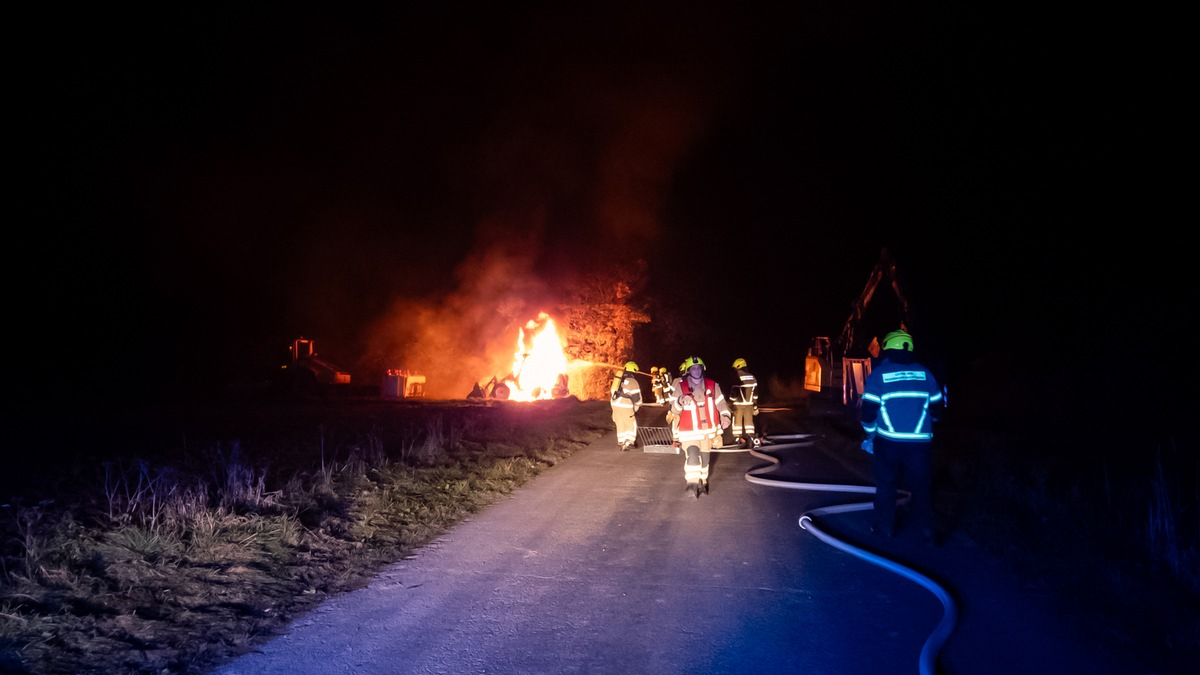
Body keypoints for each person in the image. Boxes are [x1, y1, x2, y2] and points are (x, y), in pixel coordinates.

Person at [859, 329, 945, 544]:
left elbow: (868, 412)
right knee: (922, 486)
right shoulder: (926, 374)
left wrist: (871, 436)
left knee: (886, 485)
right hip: (920, 445)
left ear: (888, 348)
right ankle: (927, 531)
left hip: (888, 442)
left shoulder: (879, 375)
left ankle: (884, 529)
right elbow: (937, 411)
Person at [670, 356, 731, 497]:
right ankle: (691, 484)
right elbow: (673, 409)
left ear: (702, 369)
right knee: (692, 454)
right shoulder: (681, 387)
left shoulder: (713, 385)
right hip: (689, 432)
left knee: (705, 460)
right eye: (693, 368)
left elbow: (722, 404)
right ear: (688, 370)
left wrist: (725, 417)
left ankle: (703, 482)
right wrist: (680, 400)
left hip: (708, 432)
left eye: (698, 368)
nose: (696, 371)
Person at [610, 361, 643, 451]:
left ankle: (621, 441)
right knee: (631, 423)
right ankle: (630, 442)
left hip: (614, 404)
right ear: (634, 370)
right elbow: (636, 398)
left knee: (620, 422)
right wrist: (638, 405)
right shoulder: (633, 381)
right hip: (625, 405)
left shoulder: (619, 379)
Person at [729, 357, 760, 448]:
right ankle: (752, 438)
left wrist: (730, 402)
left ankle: (737, 439)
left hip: (738, 405)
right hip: (749, 404)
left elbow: (734, 393)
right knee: (749, 422)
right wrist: (755, 404)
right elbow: (755, 394)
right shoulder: (752, 377)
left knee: (737, 423)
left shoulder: (737, 377)